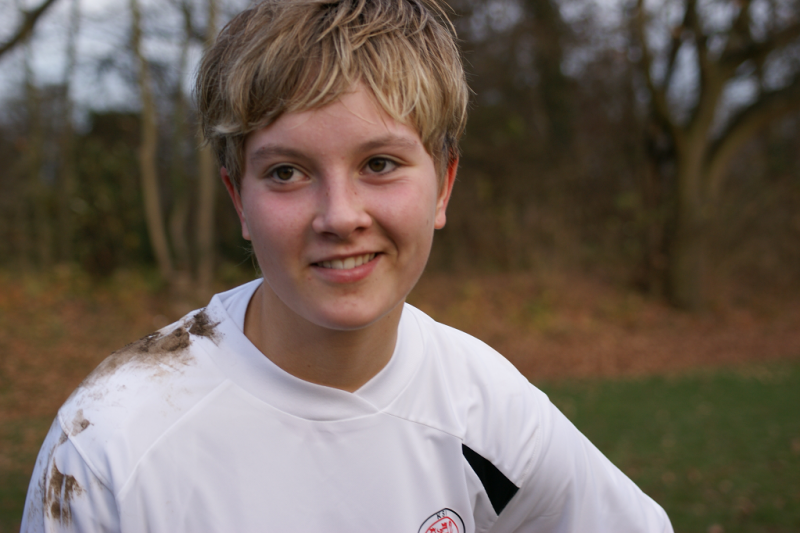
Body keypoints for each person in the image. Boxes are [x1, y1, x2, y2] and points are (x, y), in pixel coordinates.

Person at [22, 0, 673, 531]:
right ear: (238, 199)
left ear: (443, 185)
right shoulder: (110, 446)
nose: (339, 215)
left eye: (379, 164)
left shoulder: (486, 409)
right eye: (286, 172)